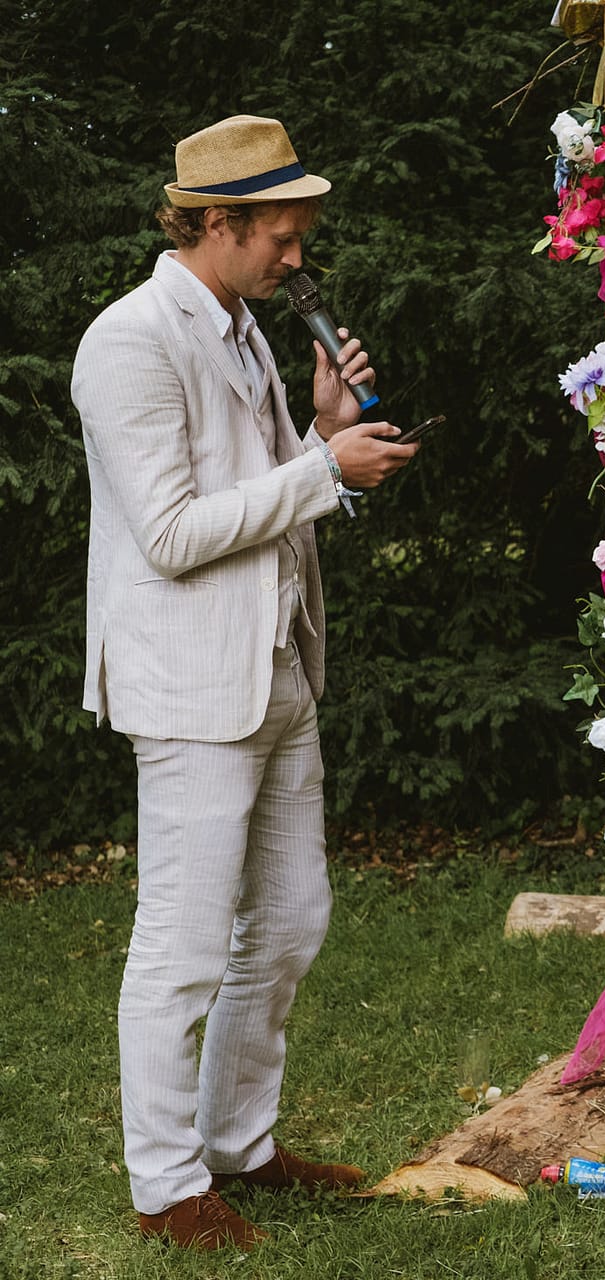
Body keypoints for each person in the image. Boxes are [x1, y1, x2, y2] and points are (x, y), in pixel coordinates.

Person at [71, 114, 417, 1250]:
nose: (298, 258)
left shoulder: (240, 329)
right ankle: (167, 1183)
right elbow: (171, 532)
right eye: (282, 234)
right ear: (216, 222)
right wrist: (324, 467)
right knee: (180, 941)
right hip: (187, 681)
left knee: (289, 920)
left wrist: (315, 429)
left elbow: (256, 489)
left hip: (273, 665)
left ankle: (240, 1143)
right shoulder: (128, 340)